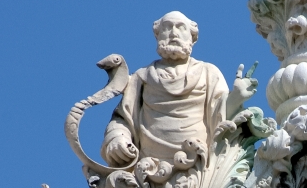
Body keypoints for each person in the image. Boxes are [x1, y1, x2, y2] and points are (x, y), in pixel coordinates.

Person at [100, 11, 256, 167]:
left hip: (201, 163)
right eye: (167, 28)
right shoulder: (142, 77)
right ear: (158, 35)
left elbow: (220, 115)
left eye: (180, 28)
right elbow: (122, 118)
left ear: (192, 37)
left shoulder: (208, 72)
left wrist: (236, 97)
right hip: (150, 169)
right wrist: (117, 138)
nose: (174, 33)